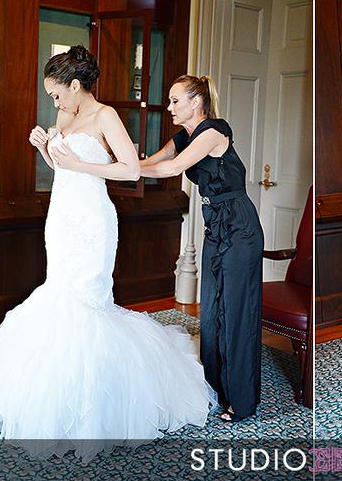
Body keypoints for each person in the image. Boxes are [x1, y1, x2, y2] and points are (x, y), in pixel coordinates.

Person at [0, 46, 215, 462]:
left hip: (92, 221)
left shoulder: (105, 116)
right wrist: (43, 148)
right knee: (58, 294)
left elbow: (130, 170)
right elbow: (62, 166)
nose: (55, 103)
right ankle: (53, 395)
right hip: (61, 218)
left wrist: (80, 165)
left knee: (87, 301)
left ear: (75, 85)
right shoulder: (65, 118)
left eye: (56, 94)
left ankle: (96, 405)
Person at [140, 75, 263, 423]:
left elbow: (174, 167)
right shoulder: (184, 136)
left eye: (175, 101)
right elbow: (153, 161)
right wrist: (113, 168)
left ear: (196, 102)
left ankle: (241, 401)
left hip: (239, 227)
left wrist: (124, 170)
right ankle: (216, 389)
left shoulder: (213, 132)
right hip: (215, 226)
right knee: (210, 312)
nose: (169, 107)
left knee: (235, 312)